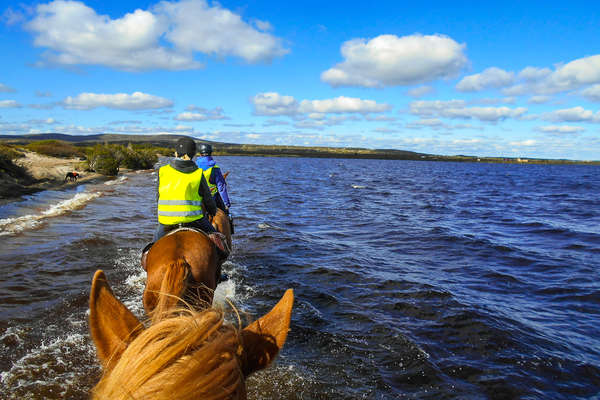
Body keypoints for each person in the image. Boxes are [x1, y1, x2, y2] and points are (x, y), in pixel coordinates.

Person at [152, 138, 223, 245]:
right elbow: (207, 198)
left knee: (151, 249)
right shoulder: (198, 173)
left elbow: (158, 196)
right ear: (193, 155)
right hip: (194, 220)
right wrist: (212, 211)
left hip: (166, 221)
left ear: (176, 154)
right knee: (219, 242)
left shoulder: (162, 171)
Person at [194, 144, 231, 214]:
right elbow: (221, 187)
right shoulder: (215, 168)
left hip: (196, 199)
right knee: (226, 214)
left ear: (200, 153)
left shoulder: (194, 167)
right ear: (210, 153)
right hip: (212, 198)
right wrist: (226, 204)